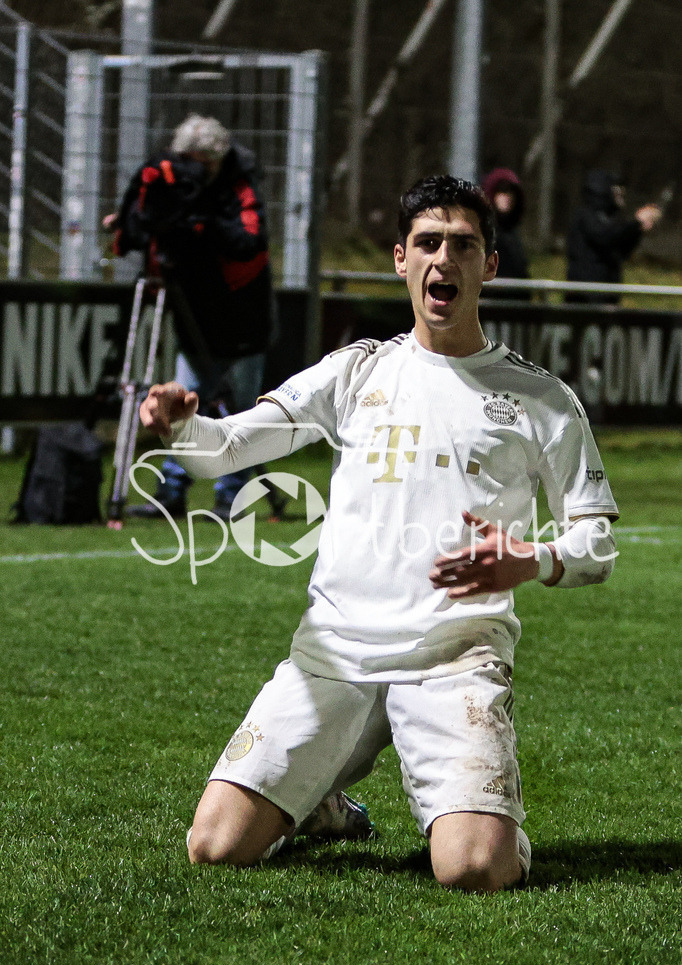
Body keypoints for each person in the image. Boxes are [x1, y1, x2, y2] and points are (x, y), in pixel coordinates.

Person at [139, 175, 619, 892]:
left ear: (490, 265)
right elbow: (227, 449)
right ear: (401, 258)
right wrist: (181, 425)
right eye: (427, 243)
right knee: (213, 846)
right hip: (334, 654)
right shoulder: (356, 371)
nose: (443, 261)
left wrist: (532, 560)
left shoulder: (541, 399)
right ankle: (323, 806)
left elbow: (596, 544)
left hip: (454, 657)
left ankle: (490, 824)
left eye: (463, 245)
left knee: (475, 870)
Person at [104, 113, 278, 520]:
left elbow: (249, 242)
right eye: (188, 161)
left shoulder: (240, 185)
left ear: (218, 160)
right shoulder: (167, 182)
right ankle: (170, 494)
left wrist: (203, 222)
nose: (193, 172)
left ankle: (230, 496)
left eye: (203, 163)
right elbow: (139, 226)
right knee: (179, 403)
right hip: (194, 313)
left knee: (241, 410)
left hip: (242, 317)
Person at [566, 170, 662, 304]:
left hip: (608, 290)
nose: (620, 191)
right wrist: (636, 223)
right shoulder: (586, 214)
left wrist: (638, 230)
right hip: (586, 293)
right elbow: (604, 237)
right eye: (615, 187)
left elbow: (621, 250)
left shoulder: (612, 218)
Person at [481, 167, 530, 299]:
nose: (507, 197)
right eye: (502, 191)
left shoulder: (513, 233)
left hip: (515, 307)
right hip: (491, 306)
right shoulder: (482, 232)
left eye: (511, 192)